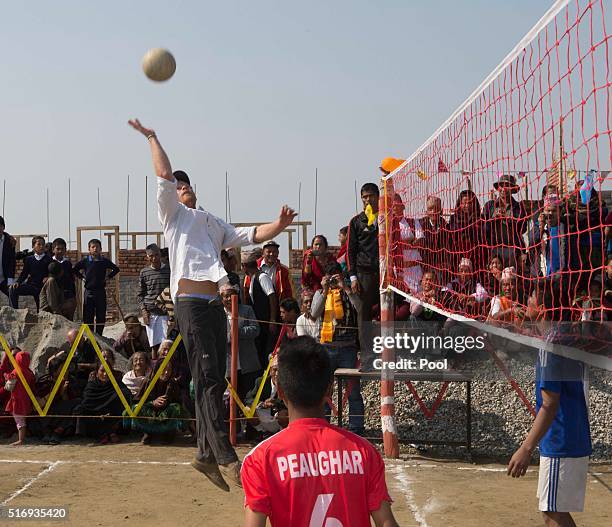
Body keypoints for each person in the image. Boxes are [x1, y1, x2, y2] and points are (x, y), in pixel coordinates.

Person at [129, 118, 296, 491]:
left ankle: (205, 454)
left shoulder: (213, 222)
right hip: (190, 302)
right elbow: (163, 172)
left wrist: (279, 225)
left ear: (192, 190)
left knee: (213, 379)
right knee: (206, 381)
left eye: (184, 185)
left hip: (214, 307)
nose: (180, 188)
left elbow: (252, 234)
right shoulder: (174, 216)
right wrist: (153, 136)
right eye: (177, 185)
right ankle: (222, 453)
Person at [241, 336, 398, 527]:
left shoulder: (261, 458)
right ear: (329, 390)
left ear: (280, 391)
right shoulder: (364, 451)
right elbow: (386, 523)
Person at [508, 279, 591, 527]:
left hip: (561, 440)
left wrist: (525, 449)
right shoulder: (567, 337)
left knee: (552, 513)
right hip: (572, 436)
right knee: (553, 511)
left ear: (542, 308)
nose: (526, 305)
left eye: (530, 301)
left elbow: (549, 404)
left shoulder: (551, 345)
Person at [311, 262, 365, 434]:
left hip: (347, 348)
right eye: (330, 277)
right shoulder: (320, 293)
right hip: (326, 347)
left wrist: (346, 288)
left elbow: (360, 308)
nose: (333, 280)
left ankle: (357, 427)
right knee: (324, 389)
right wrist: (325, 290)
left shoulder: (349, 292)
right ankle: (324, 424)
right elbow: (313, 314)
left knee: (353, 390)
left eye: (336, 277)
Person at [347, 182, 380, 371]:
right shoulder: (356, 221)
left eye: (370, 196)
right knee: (364, 316)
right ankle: (367, 358)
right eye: (364, 197)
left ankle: (390, 355)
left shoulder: (385, 217)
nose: (367, 200)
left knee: (389, 314)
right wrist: (352, 277)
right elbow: (350, 251)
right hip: (364, 273)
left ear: (377, 197)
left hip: (384, 274)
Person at [125, 358, 185, 445]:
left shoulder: (173, 383)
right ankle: (148, 432)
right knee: (136, 408)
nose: (166, 373)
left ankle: (168, 433)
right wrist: (152, 403)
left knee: (176, 408)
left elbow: (178, 401)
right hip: (151, 412)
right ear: (157, 369)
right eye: (164, 369)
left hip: (165, 413)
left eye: (169, 370)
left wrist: (167, 403)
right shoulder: (148, 382)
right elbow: (137, 401)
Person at [220, 283, 262, 403]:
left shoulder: (246, 310)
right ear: (221, 298)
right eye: (226, 296)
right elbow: (214, 335)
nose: (229, 299)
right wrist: (228, 337)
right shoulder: (218, 313)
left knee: (248, 399)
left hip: (246, 363)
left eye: (232, 295)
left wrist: (238, 332)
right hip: (227, 365)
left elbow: (256, 329)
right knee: (230, 401)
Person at [75, 362, 131, 444]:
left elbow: (126, 394)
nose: (105, 374)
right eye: (102, 371)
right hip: (96, 416)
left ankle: (111, 431)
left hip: (112, 415)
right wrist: (100, 411)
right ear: (97, 372)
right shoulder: (92, 385)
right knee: (80, 409)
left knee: (120, 397)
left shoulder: (116, 384)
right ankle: (105, 433)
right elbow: (87, 401)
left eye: (108, 371)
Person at [73, 239, 120, 335]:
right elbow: (75, 269)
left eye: (97, 247)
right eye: (93, 247)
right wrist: (82, 278)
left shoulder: (104, 261)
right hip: (88, 292)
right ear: (89, 249)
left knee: (101, 315)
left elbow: (116, 269)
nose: (95, 249)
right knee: (88, 315)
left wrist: (108, 277)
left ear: (101, 249)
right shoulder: (85, 261)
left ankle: (99, 335)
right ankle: (90, 336)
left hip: (100, 292)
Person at [242, 252, 279, 370]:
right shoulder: (252, 278)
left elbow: (272, 296)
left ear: (244, 266)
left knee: (267, 353)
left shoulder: (262, 277)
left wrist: (272, 320)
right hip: (260, 323)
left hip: (267, 323)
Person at [482, 174, 527, 268]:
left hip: (513, 250)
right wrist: (493, 220)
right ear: (498, 188)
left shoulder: (519, 207)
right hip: (493, 250)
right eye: (502, 186)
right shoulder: (489, 206)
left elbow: (523, 229)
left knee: (511, 280)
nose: (504, 189)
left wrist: (508, 221)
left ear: (512, 189)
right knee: (494, 279)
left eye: (507, 186)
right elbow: (484, 229)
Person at [138, 243, 171, 353]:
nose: (154, 258)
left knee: (167, 346)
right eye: (151, 256)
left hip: (167, 314)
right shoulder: (144, 272)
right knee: (154, 347)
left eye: (156, 255)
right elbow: (141, 294)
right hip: (151, 314)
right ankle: (156, 369)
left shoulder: (169, 270)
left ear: (160, 254)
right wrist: (144, 311)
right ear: (147, 257)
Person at [391, 192, 424, 294]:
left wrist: (400, 244)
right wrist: (410, 242)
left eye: (397, 204)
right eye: (392, 205)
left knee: (418, 297)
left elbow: (421, 240)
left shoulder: (413, 222)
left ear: (403, 205)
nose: (395, 207)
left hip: (415, 269)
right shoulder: (389, 226)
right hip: (399, 271)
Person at [9, 235, 52, 311]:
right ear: (33, 246)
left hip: (42, 288)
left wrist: (48, 277)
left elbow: (52, 273)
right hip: (31, 286)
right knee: (13, 289)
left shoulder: (48, 259)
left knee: (41, 311)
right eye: (39, 244)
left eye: (43, 244)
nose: (41, 246)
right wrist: (18, 282)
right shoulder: (29, 259)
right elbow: (24, 273)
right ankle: (14, 312)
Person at [448, 189, 484, 274]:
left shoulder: (480, 218)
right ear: (459, 204)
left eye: (470, 203)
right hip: (457, 255)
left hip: (476, 255)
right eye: (464, 203)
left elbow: (481, 236)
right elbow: (452, 235)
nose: (467, 205)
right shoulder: (454, 218)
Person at [4, 349, 35, 446]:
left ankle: (21, 440)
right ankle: (22, 436)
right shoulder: (29, 372)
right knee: (22, 419)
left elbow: (9, 387)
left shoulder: (16, 371)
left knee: (19, 420)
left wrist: (7, 377)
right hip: (25, 399)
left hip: (17, 400)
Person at [51, 237, 76, 320]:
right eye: (58, 249)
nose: (60, 251)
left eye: (62, 249)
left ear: (65, 250)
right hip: (53, 294)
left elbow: (71, 280)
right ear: (53, 250)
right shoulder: (49, 262)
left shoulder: (67, 263)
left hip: (66, 293)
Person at [0, 216, 16, 300]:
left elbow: (12, 261)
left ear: (3, 227)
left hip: (4, 278)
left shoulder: (9, 241)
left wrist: (10, 280)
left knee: (12, 296)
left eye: (0, 226)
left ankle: (16, 313)